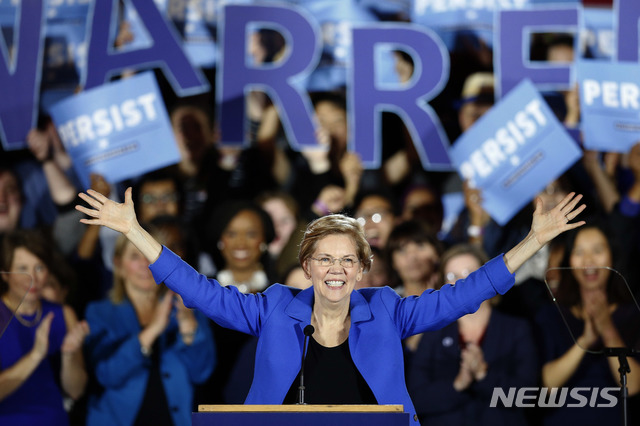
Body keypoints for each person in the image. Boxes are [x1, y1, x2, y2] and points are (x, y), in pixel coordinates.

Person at [75, 187, 586, 425]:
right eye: (324, 258)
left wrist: (533, 240)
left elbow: (466, 293)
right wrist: (135, 232)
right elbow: (199, 290)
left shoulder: (387, 308)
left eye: (347, 260)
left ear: (362, 270)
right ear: (308, 266)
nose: (336, 269)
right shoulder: (274, 308)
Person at [84, 231, 215, 425]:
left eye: (150, 255)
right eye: (135, 256)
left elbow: (202, 372)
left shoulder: (188, 307)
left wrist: (188, 328)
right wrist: (152, 330)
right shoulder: (100, 312)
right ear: (118, 264)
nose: (145, 264)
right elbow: (107, 375)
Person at [407, 244, 538, 425]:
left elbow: (529, 395)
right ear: (442, 283)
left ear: (487, 279)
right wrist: (458, 385)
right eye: (452, 276)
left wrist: (484, 375)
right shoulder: (432, 333)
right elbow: (416, 399)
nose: (461, 282)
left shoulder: (516, 329)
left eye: (470, 274)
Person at [535, 223, 640, 425]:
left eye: (598, 250)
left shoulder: (633, 314)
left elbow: (633, 385)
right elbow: (545, 384)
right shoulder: (551, 316)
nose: (589, 261)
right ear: (569, 261)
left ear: (612, 257)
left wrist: (607, 329)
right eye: (579, 252)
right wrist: (585, 340)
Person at [0, 229, 89, 425]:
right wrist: (35, 355)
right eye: (22, 268)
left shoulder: (63, 314)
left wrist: (68, 355)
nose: (33, 277)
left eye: (39, 268)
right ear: (5, 274)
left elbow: (76, 390)